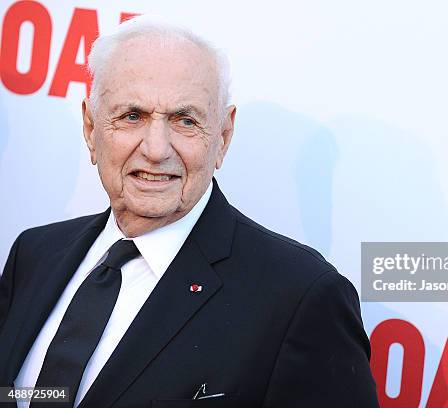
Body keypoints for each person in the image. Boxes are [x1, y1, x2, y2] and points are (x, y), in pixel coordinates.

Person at [0, 16, 379, 408]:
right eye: (133, 116)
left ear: (223, 138)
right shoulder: (36, 254)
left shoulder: (300, 299)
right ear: (90, 127)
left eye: (185, 120)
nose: (156, 149)